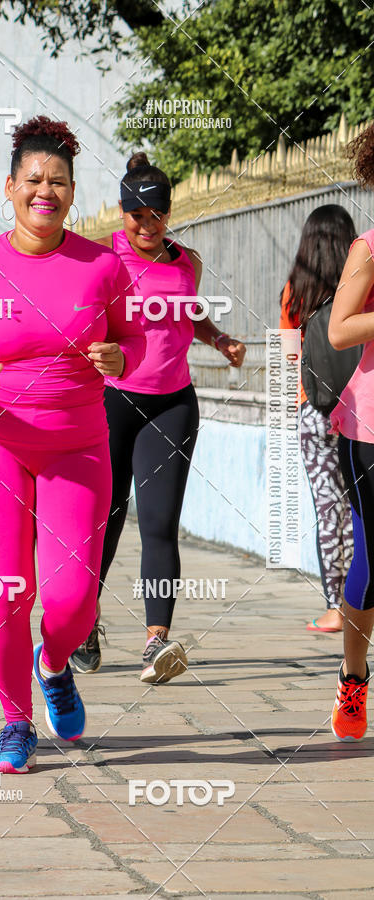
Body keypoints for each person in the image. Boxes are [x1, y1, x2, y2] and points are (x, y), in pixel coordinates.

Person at [0, 117, 146, 774]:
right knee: (6, 591)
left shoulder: (102, 265)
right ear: (11, 188)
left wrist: (117, 357)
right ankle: (15, 724)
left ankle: (54, 665)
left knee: (74, 600)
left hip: (78, 445)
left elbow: (136, 342)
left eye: (59, 182)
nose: (46, 191)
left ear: (72, 192)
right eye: (34, 181)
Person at [70, 152, 246, 683]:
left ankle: (157, 643)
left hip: (172, 403)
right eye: (138, 216)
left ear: (168, 213)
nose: (148, 226)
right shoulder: (101, 258)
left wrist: (218, 339)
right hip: (111, 402)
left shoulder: (184, 260)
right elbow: (78, 319)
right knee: (105, 518)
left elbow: (190, 312)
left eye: (157, 215)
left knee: (160, 523)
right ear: (122, 212)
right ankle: (83, 624)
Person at [279, 206, 356, 634]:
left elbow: (290, 359)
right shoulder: (362, 287)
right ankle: (364, 600)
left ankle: (336, 608)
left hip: (316, 413)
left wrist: (303, 406)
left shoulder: (297, 290)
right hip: (363, 410)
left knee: (330, 511)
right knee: (363, 509)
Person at [328, 121, 374, 741]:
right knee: (371, 560)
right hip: (369, 431)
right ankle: (354, 679)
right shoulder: (368, 248)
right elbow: (339, 330)